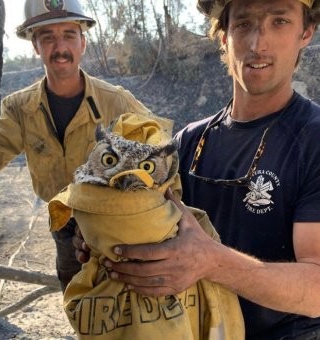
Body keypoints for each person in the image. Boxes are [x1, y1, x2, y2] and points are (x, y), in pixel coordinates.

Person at [73, 0, 320, 338]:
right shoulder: (190, 140)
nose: (257, 43)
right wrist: (111, 237)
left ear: (306, 32)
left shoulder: (312, 139)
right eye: (243, 24)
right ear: (223, 37)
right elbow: (160, 229)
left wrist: (212, 262)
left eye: (279, 21)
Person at [0, 0, 152, 292]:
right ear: (35, 46)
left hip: (116, 230)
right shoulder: (18, 109)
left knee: (127, 309)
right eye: (47, 37)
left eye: (69, 35)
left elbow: (161, 153)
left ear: (83, 43)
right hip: (63, 229)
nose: (59, 46)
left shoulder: (116, 102)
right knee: (78, 305)